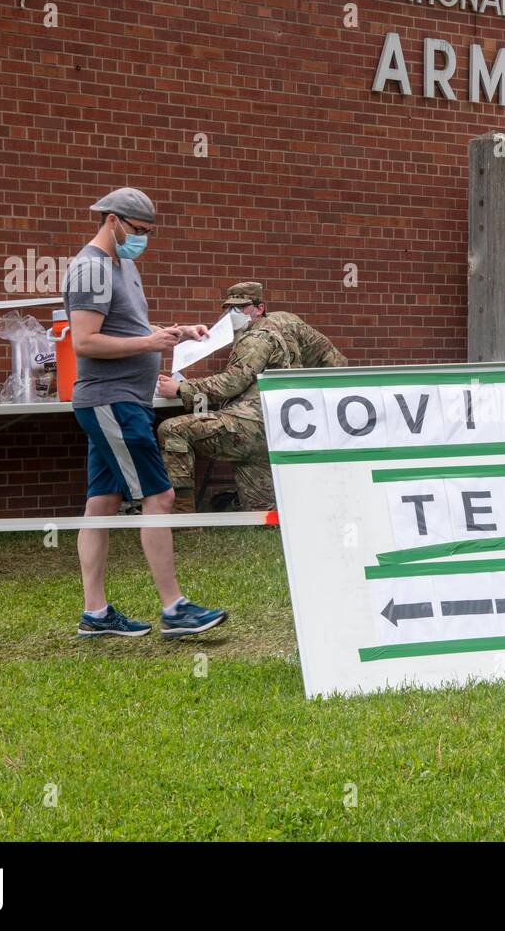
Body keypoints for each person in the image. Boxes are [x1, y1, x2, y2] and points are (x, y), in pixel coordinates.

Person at [62, 187, 228, 639]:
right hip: (110, 401)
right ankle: (175, 609)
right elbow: (85, 342)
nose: (143, 240)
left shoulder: (124, 265)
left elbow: (127, 327)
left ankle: (95, 615)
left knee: (101, 504)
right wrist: (150, 344)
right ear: (112, 220)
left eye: (148, 233)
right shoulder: (91, 270)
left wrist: (173, 332)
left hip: (122, 401)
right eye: (138, 231)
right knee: (161, 496)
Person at [155, 282, 347, 513]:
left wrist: (180, 389)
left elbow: (232, 382)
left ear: (259, 308)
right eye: (229, 309)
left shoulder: (256, 336)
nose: (233, 314)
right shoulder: (276, 328)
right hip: (276, 425)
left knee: (172, 429)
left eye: (241, 308)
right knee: (261, 513)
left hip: (251, 425)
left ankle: (182, 518)